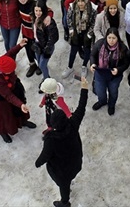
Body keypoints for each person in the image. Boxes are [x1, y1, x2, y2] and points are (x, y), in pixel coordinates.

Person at [35, 76, 90, 207]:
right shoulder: (73, 123)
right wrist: (84, 88)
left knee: (64, 186)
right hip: (75, 162)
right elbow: (81, 106)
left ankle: (65, 202)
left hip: (61, 170)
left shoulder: (51, 140)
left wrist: (38, 163)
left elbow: (45, 156)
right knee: (69, 178)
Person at [0, 37, 37, 142]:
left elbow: (10, 53)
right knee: (5, 117)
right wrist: (20, 104)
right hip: (1, 101)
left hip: (14, 89)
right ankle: (2, 131)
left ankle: (22, 121)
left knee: (19, 110)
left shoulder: (1, 61)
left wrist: (19, 46)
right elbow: (8, 96)